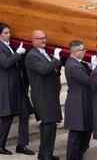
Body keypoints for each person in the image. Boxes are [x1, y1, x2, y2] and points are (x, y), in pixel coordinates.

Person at [0, 22, 35, 155]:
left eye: (9, 32)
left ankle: (22, 145)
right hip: (6, 85)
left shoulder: (9, 46)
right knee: (7, 117)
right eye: (5, 33)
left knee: (24, 113)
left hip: (17, 85)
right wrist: (18, 53)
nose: (8, 35)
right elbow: (5, 63)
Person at [25, 30, 62, 160]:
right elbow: (44, 70)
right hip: (42, 95)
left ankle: (46, 154)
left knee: (51, 125)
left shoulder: (46, 53)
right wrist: (56, 59)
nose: (43, 40)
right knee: (48, 124)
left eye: (44, 38)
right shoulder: (31, 56)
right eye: (39, 38)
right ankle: (45, 155)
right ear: (33, 41)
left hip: (51, 94)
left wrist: (57, 62)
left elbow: (53, 70)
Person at [64, 40, 97, 160]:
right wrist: (94, 69)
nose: (85, 52)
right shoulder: (73, 65)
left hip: (83, 102)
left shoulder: (78, 63)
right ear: (75, 52)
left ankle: (78, 156)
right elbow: (89, 81)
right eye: (82, 50)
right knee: (76, 135)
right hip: (77, 103)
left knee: (84, 133)